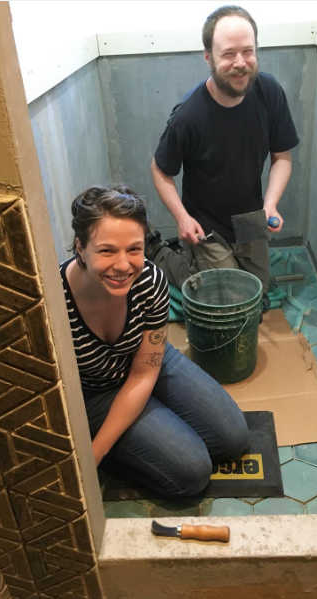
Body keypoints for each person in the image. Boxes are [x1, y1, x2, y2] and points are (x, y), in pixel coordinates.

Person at [60, 184, 249, 497]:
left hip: (148, 361)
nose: (123, 266)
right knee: (192, 473)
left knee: (234, 438)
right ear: (80, 247)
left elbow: (144, 373)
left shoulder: (149, 280)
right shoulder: (55, 300)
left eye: (133, 249)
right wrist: (96, 451)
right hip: (96, 390)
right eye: (107, 250)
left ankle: (148, 423)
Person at [147, 5, 299, 311]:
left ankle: (219, 263)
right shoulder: (188, 116)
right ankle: (160, 252)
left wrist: (269, 205)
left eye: (248, 51)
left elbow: (282, 156)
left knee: (257, 293)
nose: (240, 62)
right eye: (228, 53)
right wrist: (182, 218)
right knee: (230, 300)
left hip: (250, 218)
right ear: (208, 57)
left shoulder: (269, 91)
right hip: (207, 224)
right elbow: (160, 170)